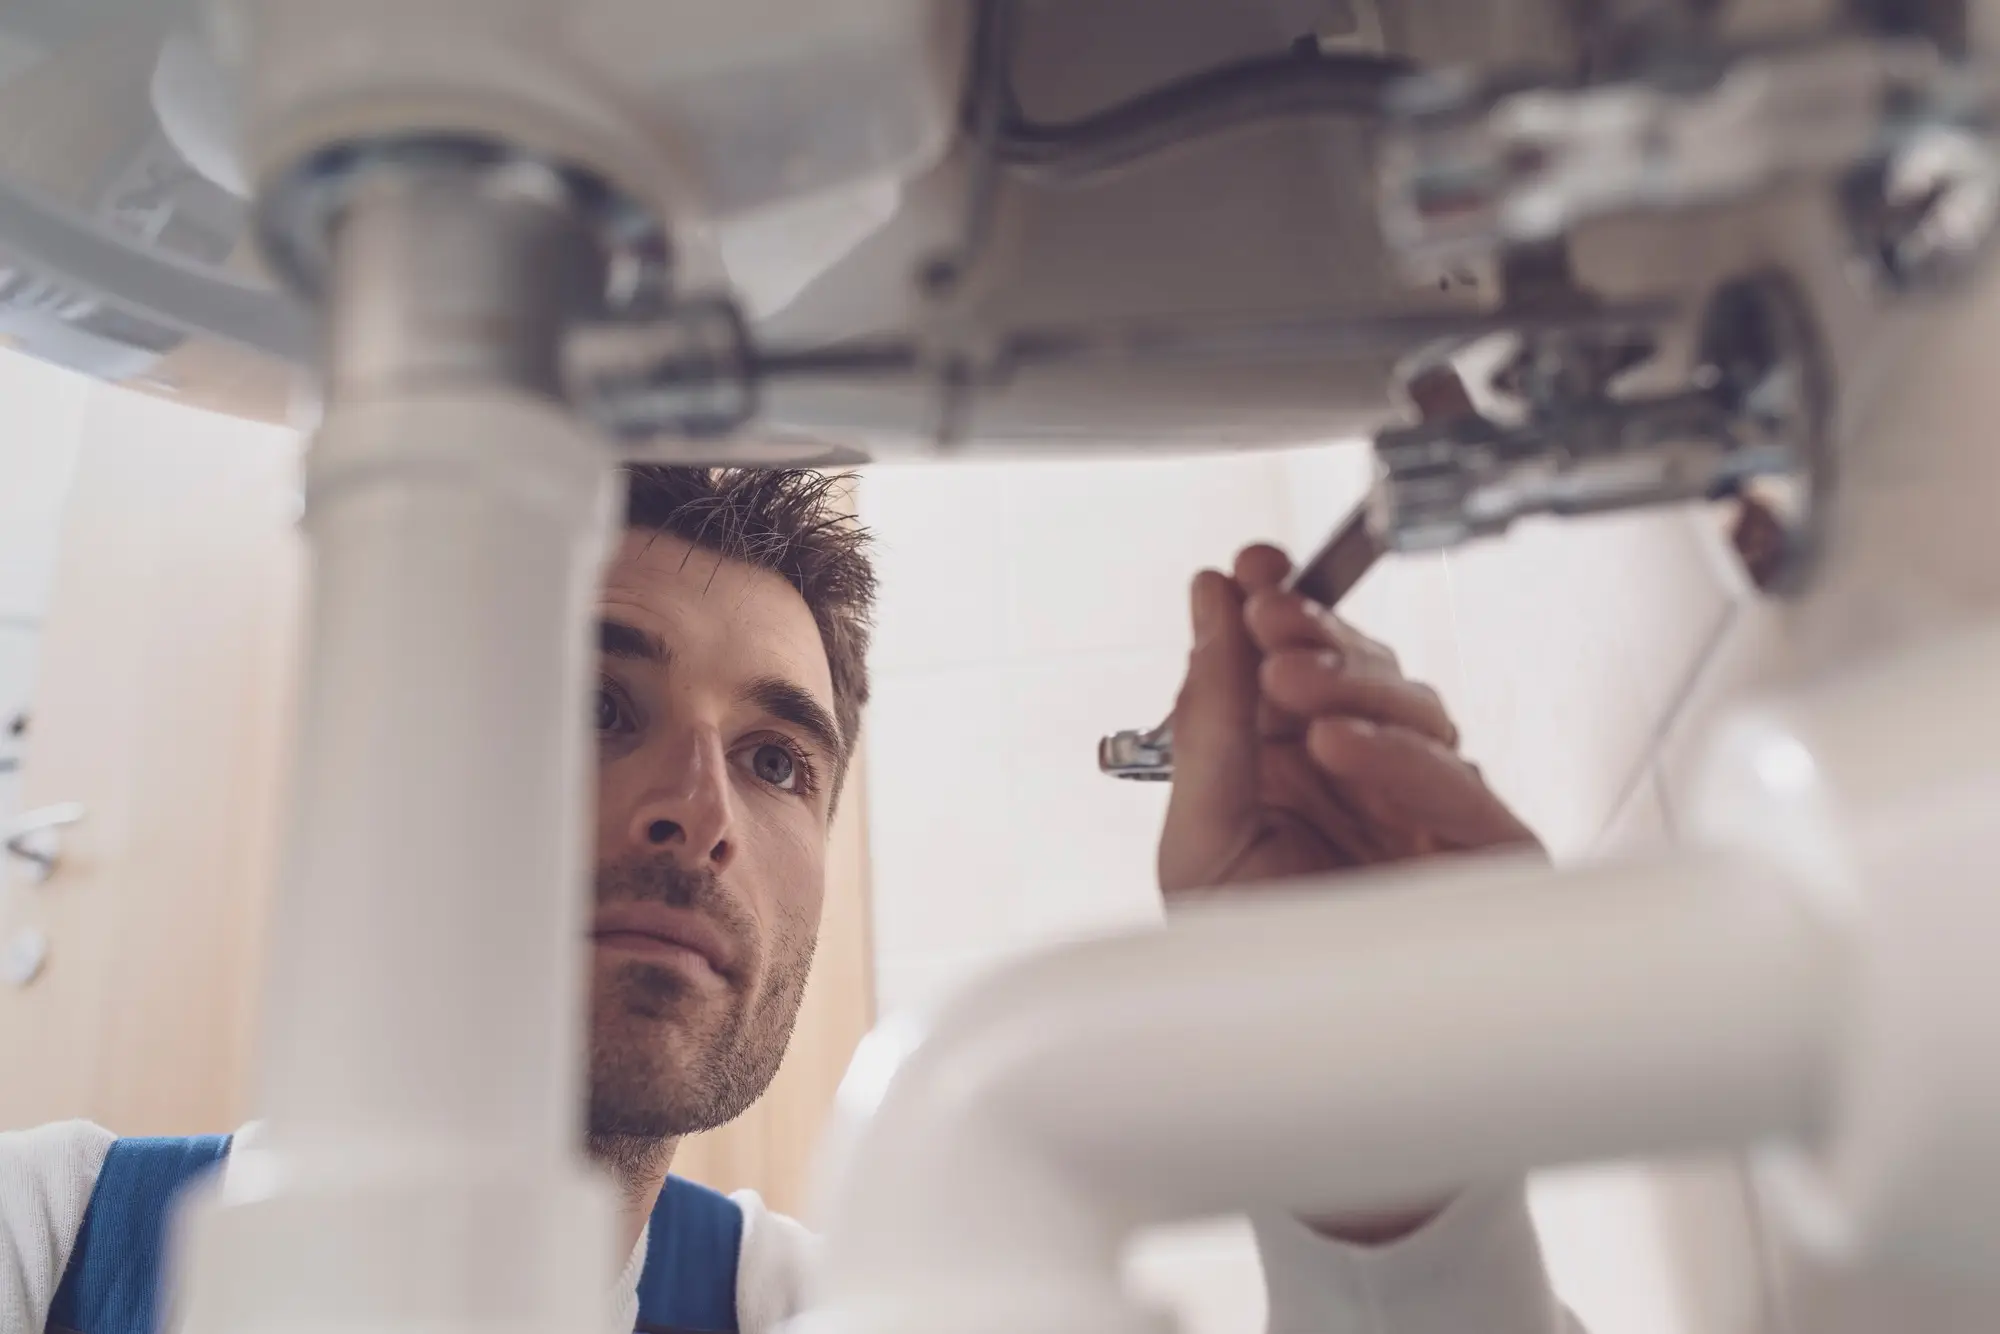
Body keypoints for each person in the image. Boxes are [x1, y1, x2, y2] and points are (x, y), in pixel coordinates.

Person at [1, 467, 1563, 1334]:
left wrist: (1385, 1139)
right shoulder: (47, 1240)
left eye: (777, 757)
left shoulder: (822, 1313)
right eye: (595, 709)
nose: (704, 810)